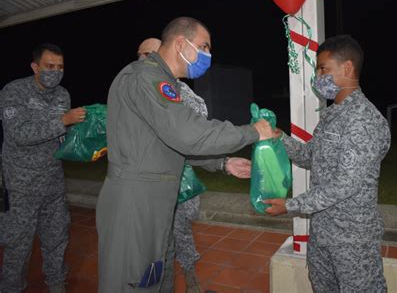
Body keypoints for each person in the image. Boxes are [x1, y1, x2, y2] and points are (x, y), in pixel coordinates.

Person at [96, 17, 272, 293]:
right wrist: (252, 132)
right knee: (132, 282)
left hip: (155, 200)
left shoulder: (165, 82)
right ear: (181, 43)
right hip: (136, 202)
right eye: (204, 46)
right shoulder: (146, 77)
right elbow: (189, 134)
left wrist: (223, 163)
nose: (208, 55)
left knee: (154, 277)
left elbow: (170, 142)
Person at [264, 35, 391, 292]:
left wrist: (291, 205)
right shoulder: (332, 115)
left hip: (352, 239)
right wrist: (281, 139)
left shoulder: (364, 120)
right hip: (323, 232)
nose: (318, 76)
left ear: (346, 68)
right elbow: (310, 156)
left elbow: (345, 185)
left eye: (323, 68)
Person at [135, 37, 251, 292]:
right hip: (142, 189)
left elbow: (194, 141)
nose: (147, 61)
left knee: (179, 235)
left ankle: (190, 279)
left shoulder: (183, 95)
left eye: (152, 54)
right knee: (150, 248)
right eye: (142, 55)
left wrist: (223, 161)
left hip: (176, 185)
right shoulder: (131, 89)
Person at [0, 43, 86, 293]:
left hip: (53, 183)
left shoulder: (62, 95)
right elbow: (19, 134)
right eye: (50, 66)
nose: (55, 72)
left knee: (57, 238)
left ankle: (56, 282)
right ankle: (11, 287)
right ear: (35, 67)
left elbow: (62, 135)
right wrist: (63, 121)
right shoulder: (13, 91)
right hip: (21, 186)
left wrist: (83, 136)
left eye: (60, 67)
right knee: (18, 244)